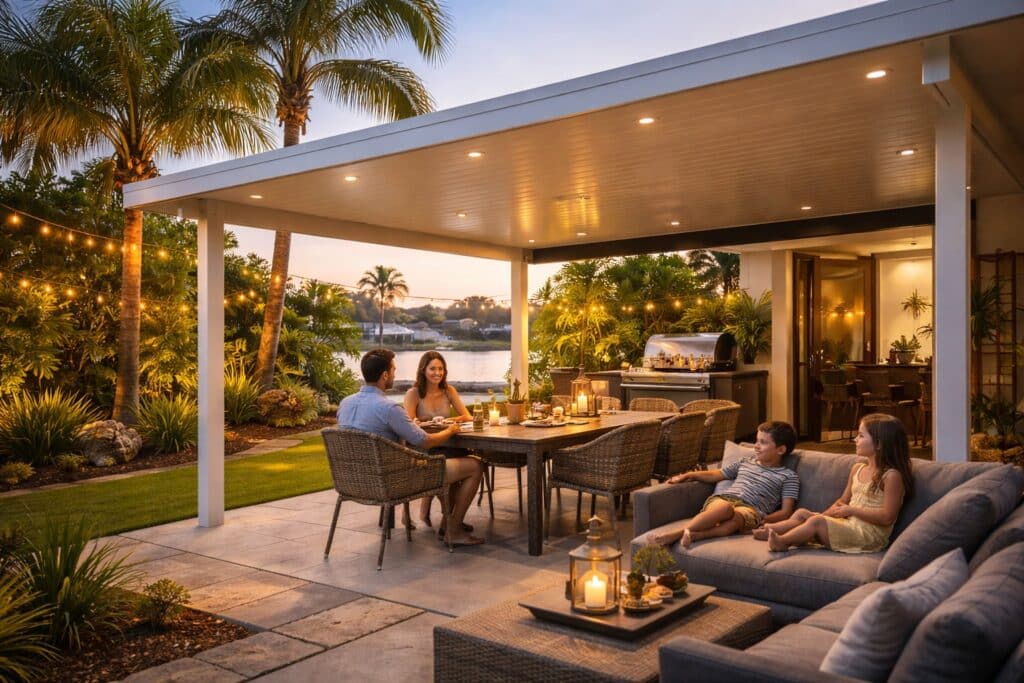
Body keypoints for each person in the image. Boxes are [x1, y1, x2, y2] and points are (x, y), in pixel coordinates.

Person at [336, 348, 485, 546]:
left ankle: (445, 518)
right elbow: (424, 441)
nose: (395, 374)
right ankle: (453, 530)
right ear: (385, 375)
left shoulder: (345, 404)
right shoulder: (389, 408)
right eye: (394, 370)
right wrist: (449, 431)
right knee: (475, 465)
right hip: (397, 480)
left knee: (447, 458)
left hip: (353, 481)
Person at [756, 413, 913, 553]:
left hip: (868, 535)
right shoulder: (858, 468)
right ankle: (768, 529)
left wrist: (851, 511)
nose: (855, 439)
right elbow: (842, 502)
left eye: (861, 436)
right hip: (848, 524)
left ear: (879, 444)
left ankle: (783, 542)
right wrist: (825, 514)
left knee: (817, 521)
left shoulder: (891, 476)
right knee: (803, 513)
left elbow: (887, 517)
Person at [652, 421, 799, 547]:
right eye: (757, 441)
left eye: (763, 442)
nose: (756, 446)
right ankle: (680, 533)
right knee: (725, 508)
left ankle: (695, 535)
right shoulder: (745, 462)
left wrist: (764, 520)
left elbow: (786, 512)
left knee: (734, 521)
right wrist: (688, 475)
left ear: (781, 449)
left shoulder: (788, 477)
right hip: (724, 500)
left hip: (752, 511)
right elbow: (716, 474)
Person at [403, 350, 473, 529]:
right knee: (458, 466)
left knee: (470, 457)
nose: (437, 373)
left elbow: (467, 416)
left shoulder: (448, 390)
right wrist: (420, 422)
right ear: (423, 370)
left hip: (448, 442)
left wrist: (448, 420)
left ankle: (448, 518)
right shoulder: (414, 393)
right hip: (426, 446)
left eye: (441, 369)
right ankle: (449, 519)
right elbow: (408, 426)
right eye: (433, 368)